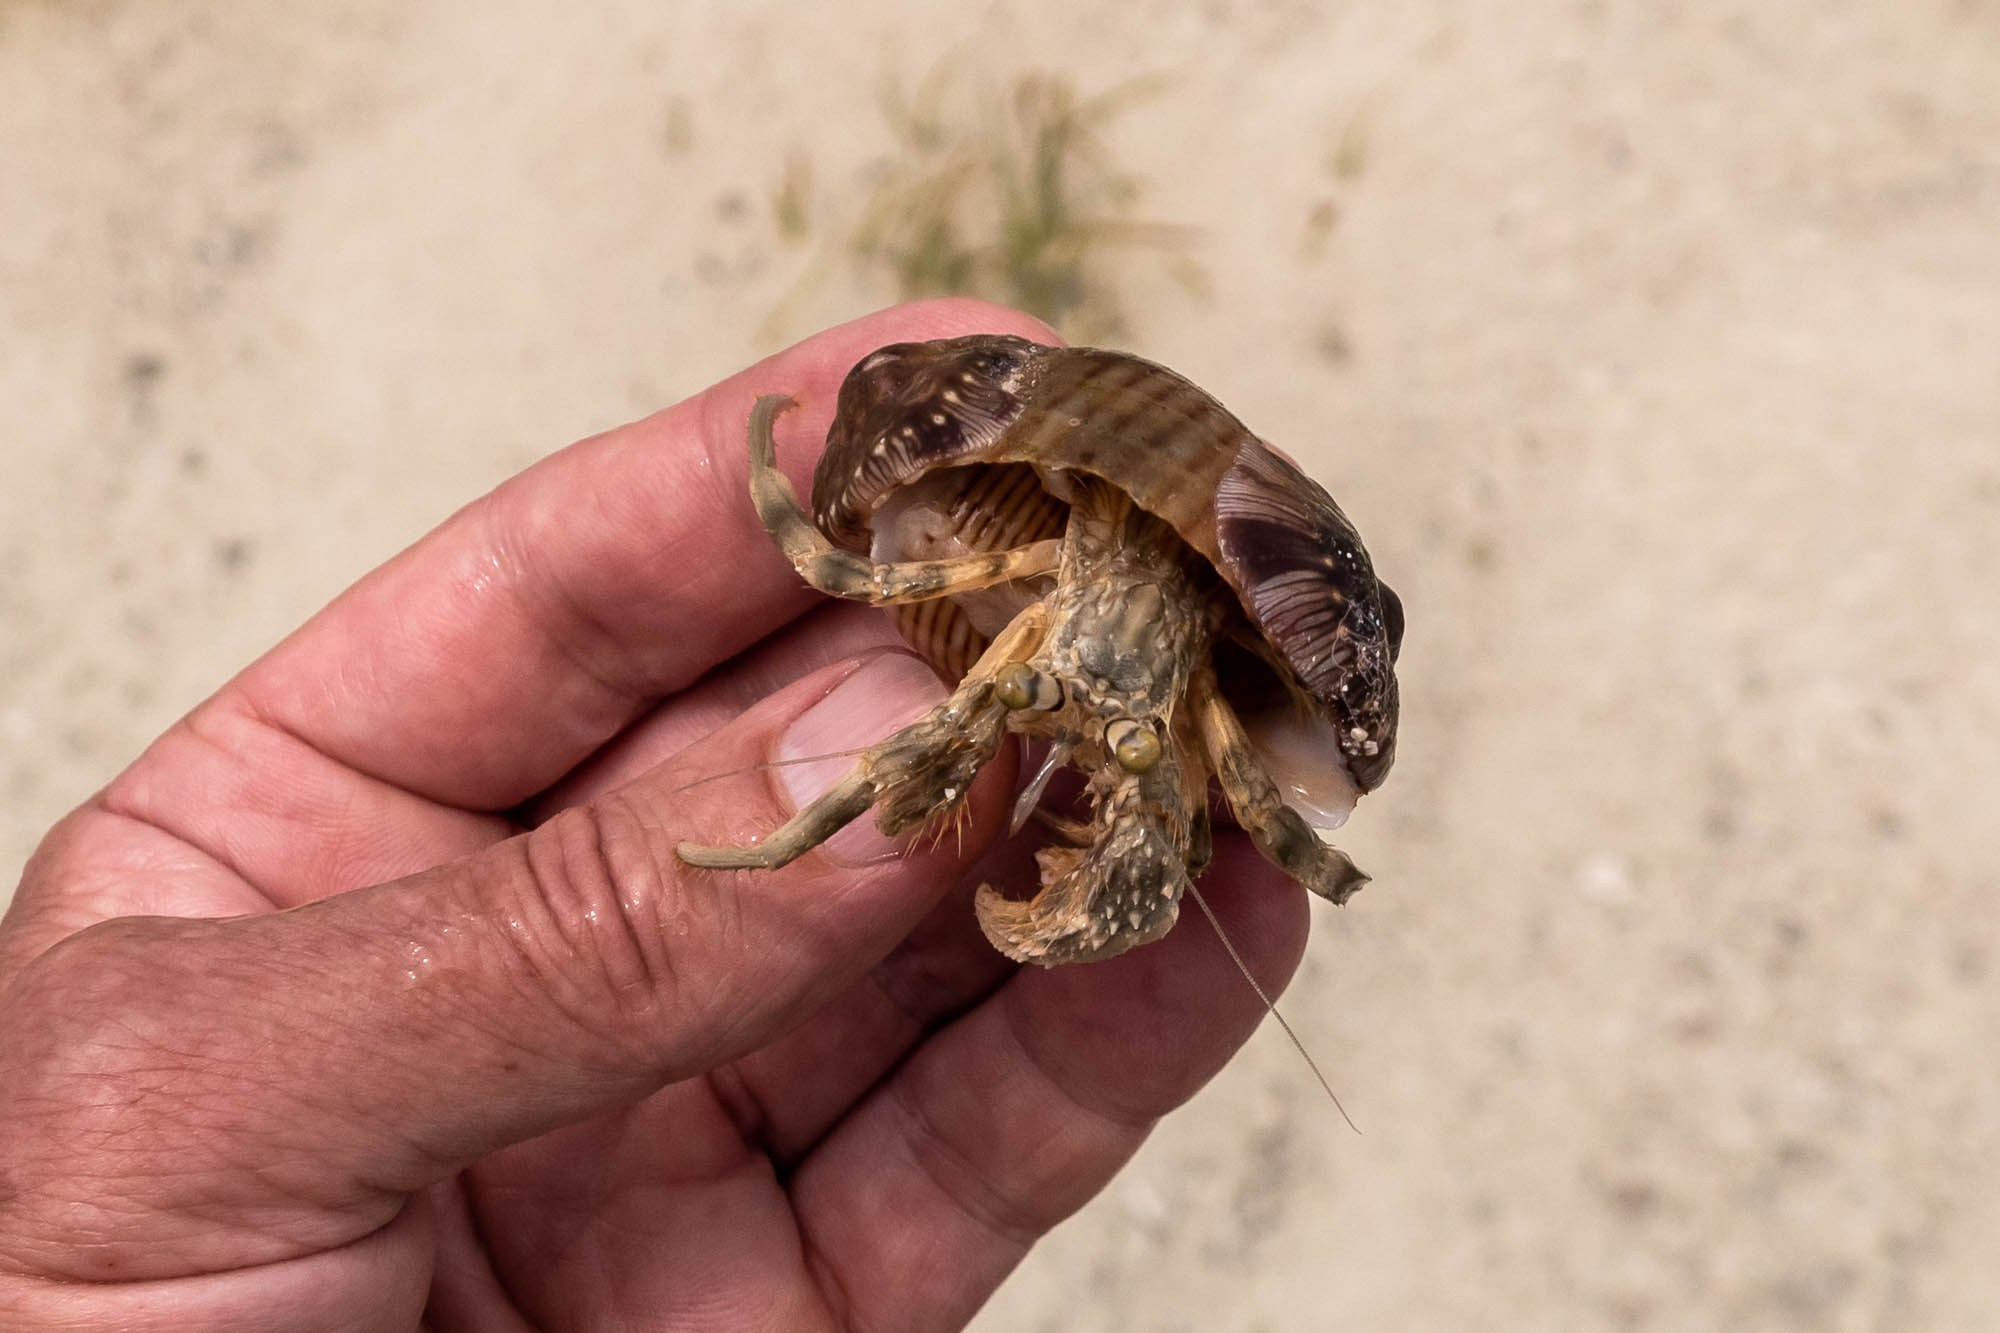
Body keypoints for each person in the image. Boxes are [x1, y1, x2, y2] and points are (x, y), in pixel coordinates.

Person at [0, 300, 1311, 1330]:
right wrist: (709, 867)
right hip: (1043, 549)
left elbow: (1259, 780)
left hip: (1141, 609)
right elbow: (835, 561)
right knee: (965, 733)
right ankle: (802, 825)